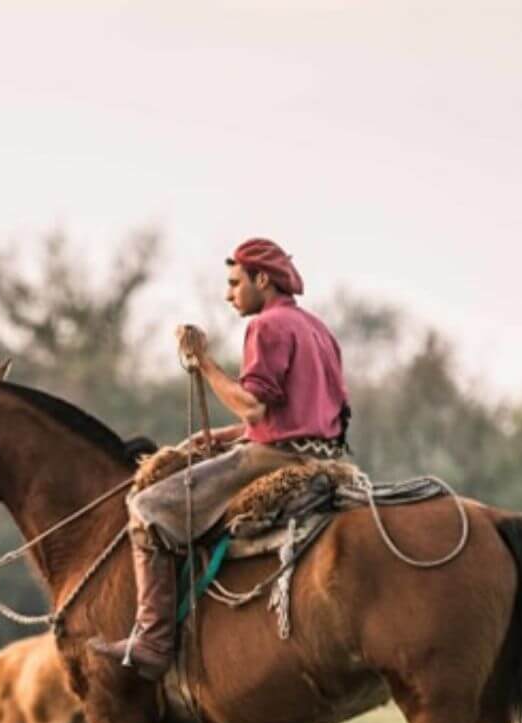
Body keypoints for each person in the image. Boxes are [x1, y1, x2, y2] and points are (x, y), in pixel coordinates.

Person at [90, 238, 350, 681]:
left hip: (276, 460)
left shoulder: (266, 327)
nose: (229, 295)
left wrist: (204, 362)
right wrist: (219, 439)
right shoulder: (316, 327)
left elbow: (253, 408)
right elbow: (294, 415)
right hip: (324, 454)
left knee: (147, 508)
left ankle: (152, 640)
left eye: (234, 284)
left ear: (262, 279)